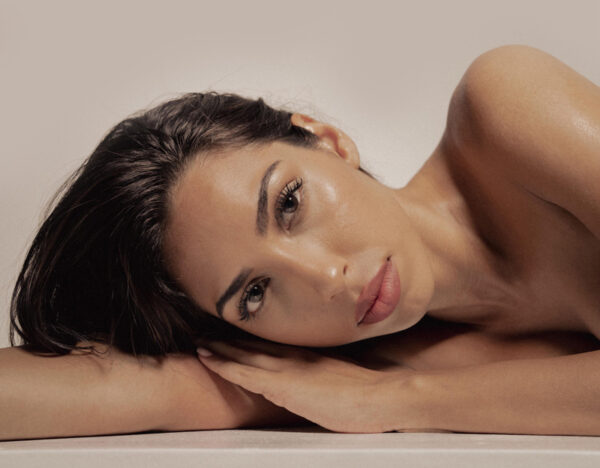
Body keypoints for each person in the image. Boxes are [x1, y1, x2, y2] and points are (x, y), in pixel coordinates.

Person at [3, 43, 600, 439]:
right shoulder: (337, 366)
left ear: (327, 140)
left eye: (289, 203)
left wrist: (398, 399)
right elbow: (133, 388)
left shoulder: (506, 108)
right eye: (255, 293)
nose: (324, 279)